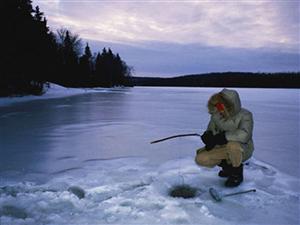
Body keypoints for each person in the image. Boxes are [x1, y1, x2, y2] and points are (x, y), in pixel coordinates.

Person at [195, 88, 254, 187]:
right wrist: (208, 137)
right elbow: (211, 130)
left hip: (242, 149)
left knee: (233, 146)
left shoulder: (245, 115)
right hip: (222, 148)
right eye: (217, 105)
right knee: (201, 159)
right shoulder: (215, 116)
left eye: (220, 106)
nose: (218, 109)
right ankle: (227, 168)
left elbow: (245, 135)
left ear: (229, 106)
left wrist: (224, 137)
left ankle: (236, 173)